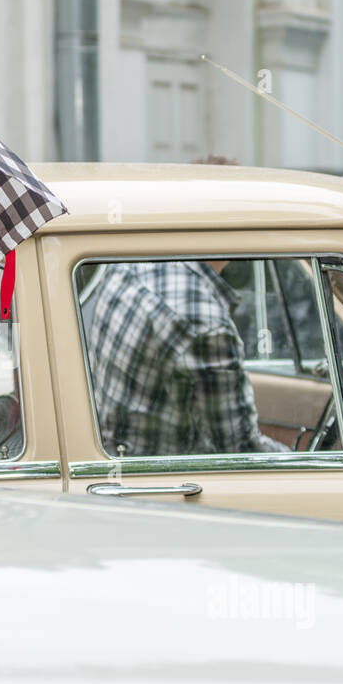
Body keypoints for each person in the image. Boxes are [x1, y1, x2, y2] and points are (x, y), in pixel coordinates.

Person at [81, 154, 287, 458]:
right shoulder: (201, 320)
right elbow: (240, 448)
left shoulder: (127, 264)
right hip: (168, 492)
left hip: (124, 465)